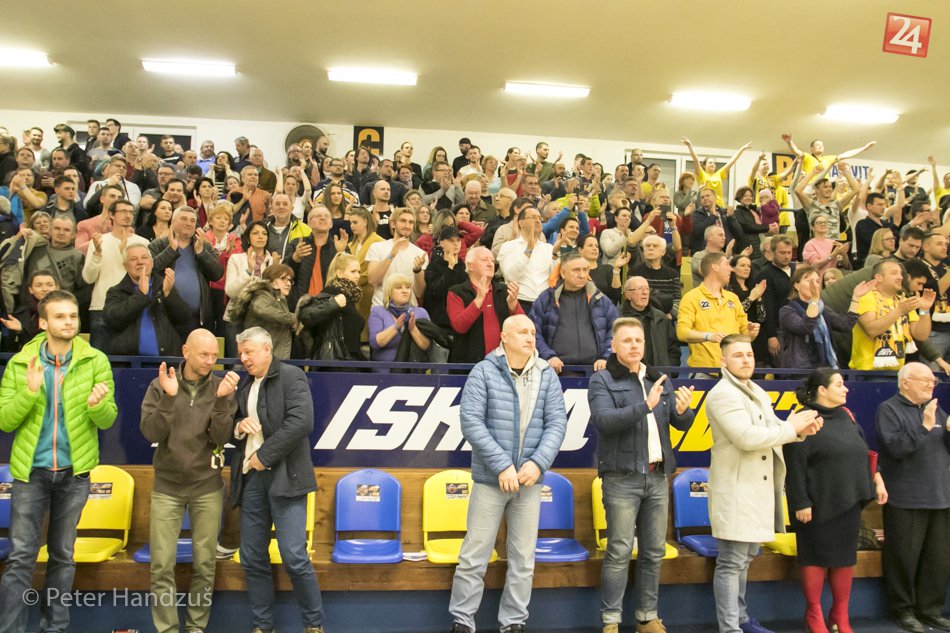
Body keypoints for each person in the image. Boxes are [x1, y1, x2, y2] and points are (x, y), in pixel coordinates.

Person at [0, 290, 116, 633]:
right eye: (60, 316)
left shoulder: (95, 361)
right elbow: (5, 421)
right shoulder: (20, 364)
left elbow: (108, 419)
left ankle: (55, 628)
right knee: (21, 558)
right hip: (30, 474)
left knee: (63, 556)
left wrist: (97, 405)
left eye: (73, 316)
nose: (69, 322)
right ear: (43, 323)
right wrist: (29, 391)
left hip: (74, 474)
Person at [448, 314, 567, 633]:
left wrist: (538, 463)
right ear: (504, 337)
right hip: (491, 480)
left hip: (529, 481)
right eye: (522, 332)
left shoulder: (546, 374)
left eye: (533, 333)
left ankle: (513, 623)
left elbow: (557, 423)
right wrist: (502, 465)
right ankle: (462, 621)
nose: (530, 338)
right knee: (474, 555)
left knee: (523, 559)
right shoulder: (483, 371)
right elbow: (471, 422)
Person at [705, 334, 823, 633]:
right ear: (723, 361)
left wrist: (801, 431)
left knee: (745, 559)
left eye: (748, 354)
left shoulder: (755, 390)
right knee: (731, 562)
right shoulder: (722, 394)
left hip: (755, 490)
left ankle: (742, 620)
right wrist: (790, 428)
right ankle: (730, 628)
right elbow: (746, 438)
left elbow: (773, 430)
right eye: (738, 355)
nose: (746, 360)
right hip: (735, 490)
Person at [588, 317, 695, 633]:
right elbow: (604, 420)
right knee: (619, 551)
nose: (634, 345)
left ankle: (647, 617)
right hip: (621, 479)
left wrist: (683, 411)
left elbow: (679, 423)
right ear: (614, 346)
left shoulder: (658, 379)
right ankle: (611, 621)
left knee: (653, 552)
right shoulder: (602, 380)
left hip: (658, 477)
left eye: (638, 340)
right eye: (627, 340)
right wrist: (645, 406)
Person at [140, 330, 240, 633]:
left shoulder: (222, 387)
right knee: (161, 565)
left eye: (214, 355)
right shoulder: (160, 384)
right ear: (186, 351)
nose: (210, 361)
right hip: (167, 488)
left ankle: (196, 627)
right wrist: (170, 399)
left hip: (207, 487)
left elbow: (220, 437)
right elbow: (151, 433)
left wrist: (221, 402)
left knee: (205, 565)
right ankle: (167, 629)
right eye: (203, 354)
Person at [230, 327, 326, 633]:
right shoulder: (244, 384)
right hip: (251, 481)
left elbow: (301, 422)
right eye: (241, 353)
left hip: (287, 478)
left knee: (295, 557)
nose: (244, 358)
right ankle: (263, 626)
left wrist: (265, 455)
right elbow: (230, 423)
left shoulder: (291, 376)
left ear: (267, 350)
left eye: (249, 352)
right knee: (252, 557)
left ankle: (313, 625)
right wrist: (238, 426)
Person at [784, 369, 887, 633]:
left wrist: (877, 480)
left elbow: (863, 451)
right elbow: (794, 465)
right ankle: (814, 614)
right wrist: (800, 502)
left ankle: (839, 614)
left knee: (844, 559)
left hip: (849, 502)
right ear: (822, 390)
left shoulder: (847, 415)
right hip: (816, 505)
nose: (846, 389)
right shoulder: (804, 418)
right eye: (839, 385)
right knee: (815, 558)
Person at [529, 251, 619, 373]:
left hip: (596, 370)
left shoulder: (600, 298)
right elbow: (533, 332)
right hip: (557, 371)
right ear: (563, 273)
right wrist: (548, 355)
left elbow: (616, 329)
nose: (582, 275)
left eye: (585, 270)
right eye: (576, 270)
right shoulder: (546, 299)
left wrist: (606, 357)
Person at [80, 198, 150, 350]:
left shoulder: (143, 243)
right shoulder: (99, 241)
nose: (128, 215)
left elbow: (147, 274)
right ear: (111, 214)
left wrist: (124, 252)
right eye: (123, 211)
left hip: (133, 305)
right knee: (99, 357)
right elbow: (88, 278)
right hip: (101, 306)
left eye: (131, 212)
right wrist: (97, 253)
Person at [103, 244, 193, 356]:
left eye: (144, 258)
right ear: (125, 266)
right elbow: (113, 320)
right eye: (133, 259)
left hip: (166, 360)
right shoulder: (116, 291)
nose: (140, 262)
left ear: (152, 262)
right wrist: (141, 296)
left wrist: (168, 294)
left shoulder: (164, 285)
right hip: (130, 362)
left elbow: (184, 317)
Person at [149, 206, 225, 337]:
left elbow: (217, 274)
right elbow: (150, 270)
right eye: (184, 219)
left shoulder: (204, 245)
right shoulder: (158, 245)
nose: (189, 223)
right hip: (166, 316)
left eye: (192, 220)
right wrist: (171, 250)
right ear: (172, 222)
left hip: (198, 318)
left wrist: (201, 252)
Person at [677, 252, 760, 370]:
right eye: (727, 264)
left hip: (733, 370)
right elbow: (682, 332)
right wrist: (708, 336)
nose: (731, 269)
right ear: (715, 267)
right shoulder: (691, 298)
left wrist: (751, 333)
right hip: (704, 371)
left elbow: (744, 337)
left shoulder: (733, 298)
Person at [778, 266, 870, 369]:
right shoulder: (787, 311)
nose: (814, 285)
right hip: (800, 370)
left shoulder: (823, 309)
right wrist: (814, 300)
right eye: (809, 281)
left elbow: (845, 325)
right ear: (797, 286)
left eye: (817, 281)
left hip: (825, 369)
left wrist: (856, 298)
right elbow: (806, 327)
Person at [850, 261, 935, 371]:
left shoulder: (903, 301)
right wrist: (899, 311)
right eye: (894, 273)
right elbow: (871, 330)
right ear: (879, 277)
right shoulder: (866, 297)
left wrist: (924, 310)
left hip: (897, 370)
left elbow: (920, 335)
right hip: (868, 372)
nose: (900, 277)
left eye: (900, 273)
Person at [447, 246, 523, 363]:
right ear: (470, 266)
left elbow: (522, 326)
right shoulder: (456, 292)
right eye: (484, 260)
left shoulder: (504, 290)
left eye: (492, 260)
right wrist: (478, 300)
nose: (490, 264)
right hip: (468, 364)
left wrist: (513, 306)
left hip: (503, 363)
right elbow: (459, 326)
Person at [295, 253, 365, 361]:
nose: (358, 276)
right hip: (334, 361)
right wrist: (334, 303)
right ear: (339, 273)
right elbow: (306, 315)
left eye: (359, 272)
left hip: (349, 360)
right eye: (353, 271)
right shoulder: (331, 293)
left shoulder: (350, 297)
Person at [226, 264, 296, 359]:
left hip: (272, 359)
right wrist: (292, 319)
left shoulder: (280, 300)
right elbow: (261, 308)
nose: (288, 284)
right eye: (283, 278)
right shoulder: (263, 294)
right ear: (270, 280)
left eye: (290, 280)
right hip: (259, 359)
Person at [497, 206, 554, 312]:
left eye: (539, 218)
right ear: (521, 223)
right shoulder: (508, 246)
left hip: (546, 303)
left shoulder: (549, 248)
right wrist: (529, 250)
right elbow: (510, 276)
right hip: (521, 302)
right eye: (533, 217)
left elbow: (554, 277)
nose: (538, 220)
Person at [368, 273, 431, 363]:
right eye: (399, 288)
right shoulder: (378, 311)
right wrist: (396, 327)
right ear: (389, 291)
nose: (405, 291)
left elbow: (427, 346)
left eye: (408, 287)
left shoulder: (421, 312)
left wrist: (413, 329)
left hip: (413, 369)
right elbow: (374, 343)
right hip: (384, 369)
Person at [619, 276, 681, 366]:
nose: (644, 292)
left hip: (659, 372)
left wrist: (670, 369)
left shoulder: (661, 318)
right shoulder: (618, 317)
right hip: (626, 372)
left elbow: (673, 348)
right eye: (640, 289)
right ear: (628, 294)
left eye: (647, 289)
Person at [682, 138, 752, 207]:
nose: (713, 164)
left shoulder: (719, 174)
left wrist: (742, 149)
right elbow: (696, 160)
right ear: (704, 165)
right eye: (710, 163)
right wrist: (690, 146)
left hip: (720, 205)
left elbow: (732, 161)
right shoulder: (701, 174)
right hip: (706, 205)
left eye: (714, 163)